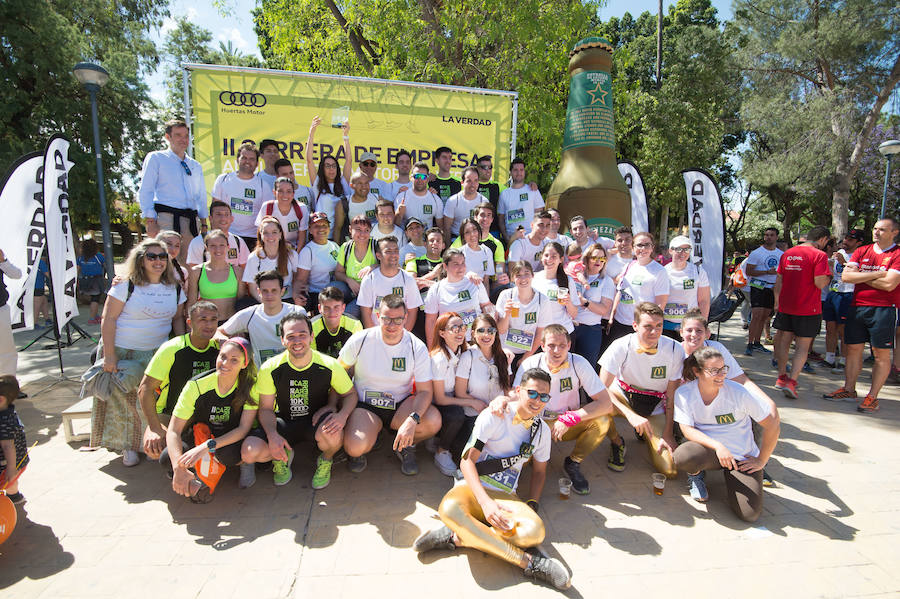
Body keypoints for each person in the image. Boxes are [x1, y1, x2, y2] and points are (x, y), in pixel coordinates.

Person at [413, 368, 572, 591]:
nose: (538, 400)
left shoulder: (542, 431)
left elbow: (539, 472)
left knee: (535, 532)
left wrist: (532, 504)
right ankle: (531, 562)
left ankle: (457, 537)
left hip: (506, 495)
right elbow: (466, 461)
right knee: (448, 510)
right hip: (472, 487)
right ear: (519, 391)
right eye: (533, 393)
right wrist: (486, 504)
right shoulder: (495, 415)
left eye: (544, 396)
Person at [94, 239, 186, 466]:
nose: (158, 261)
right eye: (151, 257)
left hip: (157, 353)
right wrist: (109, 355)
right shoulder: (126, 284)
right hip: (124, 351)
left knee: (151, 401)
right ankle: (128, 447)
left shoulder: (174, 287)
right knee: (121, 401)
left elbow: (177, 320)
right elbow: (109, 319)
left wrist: (182, 349)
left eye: (162, 257)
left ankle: (149, 444)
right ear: (140, 259)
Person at [241, 312, 356, 489]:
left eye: (302, 335)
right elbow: (265, 409)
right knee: (249, 451)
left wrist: (342, 415)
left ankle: (326, 459)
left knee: (334, 434)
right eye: (291, 336)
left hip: (316, 421)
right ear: (282, 340)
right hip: (284, 421)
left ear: (311, 337)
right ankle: (281, 455)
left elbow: (350, 395)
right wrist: (272, 435)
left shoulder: (329, 364)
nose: (297, 341)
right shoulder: (269, 368)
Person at [338, 295, 441, 475]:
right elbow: (338, 373)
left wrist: (412, 419)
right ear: (378, 316)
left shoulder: (416, 346)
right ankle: (369, 439)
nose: (392, 325)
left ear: (406, 318)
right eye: (386, 319)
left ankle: (405, 445)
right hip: (366, 405)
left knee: (433, 421)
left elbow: (425, 391)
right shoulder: (361, 339)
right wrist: (338, 407)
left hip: (401, 405)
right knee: (355, 447)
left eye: (398, 319)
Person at [673, 347, 780, 520]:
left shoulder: (738, 392)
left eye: (723, 369)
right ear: (697, 371)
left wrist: (762, 460)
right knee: (684, 456)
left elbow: (772, 424)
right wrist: (718, 446)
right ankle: (696, 476)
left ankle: (736, 475)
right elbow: (687, 430)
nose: (721, 375)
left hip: (741, 457)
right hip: (711, 451)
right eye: (714, 370)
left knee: (749, 515)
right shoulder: (684, 393)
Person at [513, 325, 616, 494]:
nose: (556, 350)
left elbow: (605, 403)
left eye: (562, 345)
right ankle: (527, 459)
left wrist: (570, 418)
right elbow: (517, 399)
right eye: (551, 345)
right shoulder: (530, 363)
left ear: (569, 345)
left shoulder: (579, 362)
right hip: (535, 422)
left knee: (602, 420)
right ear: (542, 345)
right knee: (520, 463)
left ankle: (573, 462)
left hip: (566, 421)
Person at [162, 337, 258, 501]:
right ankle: (194, 476)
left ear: (244, 364)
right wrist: (178, 467)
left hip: (230, 438)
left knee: (226, 454)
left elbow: (243, 429)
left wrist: (207, 447)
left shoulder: (250, 385)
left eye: (234, 360)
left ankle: (244, 464)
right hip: (202, 434)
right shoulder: (196, 385)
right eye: (223, 356)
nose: (225, 363)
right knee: (167, 458)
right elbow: (173, 431)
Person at [599, 302, 684, 477]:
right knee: (598, 410)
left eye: (658, 326)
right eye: (648, 327)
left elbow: (671, 396)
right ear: (635, 326)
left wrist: (668, 434)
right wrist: (630, 415)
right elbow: (600, 389)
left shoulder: (675, 348)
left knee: (669, 470)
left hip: (656, 405)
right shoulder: (621, 345)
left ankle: (648, 432)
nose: (654, 332)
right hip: (623, 396)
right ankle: (617, 442)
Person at [824, 218, 900, 413]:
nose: (876, 232)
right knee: (853, 349)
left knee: (881, 354)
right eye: (875, 228)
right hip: (857, 306)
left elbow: (890, 285)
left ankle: (872, 397)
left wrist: (863, 276)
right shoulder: (862, 250)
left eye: (882, 229)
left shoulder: (897, 253)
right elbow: (847, 277)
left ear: (894, 232)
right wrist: (878, 274)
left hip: (885, 308)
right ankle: (849, 389)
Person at [138, 301, 220, 460]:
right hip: (171, 414)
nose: (209, 324)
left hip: (207, 415)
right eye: (202, 319)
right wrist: (154, 427)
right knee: (158, 450)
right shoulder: (172, 348)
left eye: (213, 319)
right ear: (189, 323)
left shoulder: (220, 349)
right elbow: (145, 389)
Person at [448, 314, 513, 471]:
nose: (486, 335)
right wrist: (479, 404)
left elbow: (507, 390)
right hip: (474, 415)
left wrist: (508, 401)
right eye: (481, 330)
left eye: (490, 330)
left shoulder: (502, 357)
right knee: (476, 460)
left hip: (499, 414)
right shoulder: (468, 357)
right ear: (473, 334)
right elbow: (460, 392)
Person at [772, 226, 831, 398]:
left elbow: (779, 279)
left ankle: (781, 376)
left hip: (786, 305)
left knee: (784, 342)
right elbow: (820, 283)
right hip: (808, 308)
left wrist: (777, 301)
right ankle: (792, 381)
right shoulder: (820, 256)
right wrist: (830, 275)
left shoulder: (788, 253)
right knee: (802, 347)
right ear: (823, 239)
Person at [139, 119, 207, 262]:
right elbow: (146, 189)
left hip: (190, 221)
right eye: (178, 135)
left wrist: (204, 223)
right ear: (168, 137)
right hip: (166, 218)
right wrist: (150, 220)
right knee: (164, 261)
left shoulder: (195, 165)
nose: (183, 139)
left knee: (189, 263)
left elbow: (200, 196)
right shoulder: (157, 158)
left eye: (186, 136)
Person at [217, 270, 305, 366]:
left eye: (274, 290)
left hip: (293, 372)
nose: (269, 295)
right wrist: (224, 341)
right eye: (265, 291)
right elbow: (218, 332)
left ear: (282, 291)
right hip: (262, 375)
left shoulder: (296, 312)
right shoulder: (249, 314)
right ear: (259, 292)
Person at [608, 231, 670, 346]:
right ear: (633, 247)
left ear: (652, 248)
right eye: (639, 245)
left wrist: (651, 327)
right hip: (620, 323)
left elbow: (661, 304)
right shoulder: (629, 265)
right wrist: (612, 316)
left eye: (647, 245)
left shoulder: (659, 271)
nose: (643, 248)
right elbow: (620, 291)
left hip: (641, 327)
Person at [428, 313, 470, 475]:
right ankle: (441, 450)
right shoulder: (439, 359)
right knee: (457, 415)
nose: (460, 331)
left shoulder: (463, 351)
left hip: (454, 396)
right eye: (454, 328)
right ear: (442, 333)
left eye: (462, 327)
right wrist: (471, 402)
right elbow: (439, 398)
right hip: (436, 402)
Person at [423, 249, 492, 347]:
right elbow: (431, 321)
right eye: (456, 264)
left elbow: (486, 306)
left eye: (463, 263)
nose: (461, 267)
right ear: (445, 266)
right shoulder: (436, 289)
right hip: (451, 343)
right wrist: (432, 348)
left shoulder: (475, 282)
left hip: (475, 341)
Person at [211, 141, 271, 250]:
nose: (247, 161)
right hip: (226, 235)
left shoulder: (263, 186)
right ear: (237, 159)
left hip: (253, 238)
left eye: (252, 159)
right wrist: (215, 236)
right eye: (244, 158)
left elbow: (267, 216)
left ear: (257, 163)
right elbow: (214, 211)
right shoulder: (223, 179)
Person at [495, 261, 553, 372]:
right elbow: (501, 330)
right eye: (518, 275)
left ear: (532, 275)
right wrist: (507, 314)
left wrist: (526, 357)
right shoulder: (506, 295)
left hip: (529, 351)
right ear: (512, 278)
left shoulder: (542, 299)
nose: (523, 279)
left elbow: (540, 333)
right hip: (506, 351)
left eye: (526, 273)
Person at [357, 236, 422, 329]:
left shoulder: (408, 279)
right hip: (377, 334)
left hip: (400, 334)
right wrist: (375, 337)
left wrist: (402, 336)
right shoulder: (369, 279)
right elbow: (366, 313)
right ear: (378, 255)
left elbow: (412, 312)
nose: (393, 255)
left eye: (396, 251)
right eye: (388, 251)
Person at [823, 230, 864, 371]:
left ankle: (844, 361)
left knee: (843, 329)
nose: (846, 241)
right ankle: (829, 358)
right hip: (833, 292)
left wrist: (844, 263)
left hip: (848, 294)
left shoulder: (861, 255)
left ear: (859, 242)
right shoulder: (839, 251)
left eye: (851, 240)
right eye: (846, 238)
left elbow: (861, 275)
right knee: (830, 327)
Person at [305, 116, 352, 239]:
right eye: (327, 166)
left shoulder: (343, 183)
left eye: (334, 166)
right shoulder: (317, 184)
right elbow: (309, 160)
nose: (331, 169)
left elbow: (349, 161)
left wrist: (345, 136)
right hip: (321, 236)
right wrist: (312, 133)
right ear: (322, 168)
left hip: (341, 237)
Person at [449, 203, 509, 296]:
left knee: (505, 285)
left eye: (489, 216)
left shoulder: (496, 244)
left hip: (488, 282)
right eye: (482, 215)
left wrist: (500, 276)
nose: (485, 219)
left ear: (492, 219)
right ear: (475, 217)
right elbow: (450, 261)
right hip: (464, 281)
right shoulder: (462, 239)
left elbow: (499, 268)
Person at [188, 230, 244, 323]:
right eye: (213, 246)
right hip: (206, 325)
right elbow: (191, 303)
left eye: (222, 245)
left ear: (228, 247)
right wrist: (191, 328)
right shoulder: (196, 272)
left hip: (231, 324)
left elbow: (241, 303)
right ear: (206, 248)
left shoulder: (237, 271)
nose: (218, 250)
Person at [573, 243, 615, 368]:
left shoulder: (606, 281)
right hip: (570, 327)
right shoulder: (575, 276)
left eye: (602, 258)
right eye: (594, 257)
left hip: (590, 331)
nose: (599, 261)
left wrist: (584, 302)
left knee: (587, 369)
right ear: (586, 258)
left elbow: (604, 309)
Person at [241, 217, 301, 304]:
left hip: (287, 301)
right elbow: (252, 288)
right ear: (260, 235)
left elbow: (297, 280)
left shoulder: (292, 255)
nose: (270, 236)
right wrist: (267, 304)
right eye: (266, 233)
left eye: (274, 232)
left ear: (280, 234)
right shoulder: (254, 257)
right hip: (263, 301)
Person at [744, 227, 783, 356]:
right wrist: (766, 272)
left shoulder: (781, 254)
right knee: (756, 315)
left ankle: (757, 342)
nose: (768, 237)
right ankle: (749, 343)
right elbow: (749, 271)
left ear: (776, 237)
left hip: (772, 288)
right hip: (758, 287)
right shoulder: (757, 253)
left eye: (771, 235)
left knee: (765, 317)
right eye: (766, 235)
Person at [663, 235, 711, 339]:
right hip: (666, 327)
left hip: (690, 328)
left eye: (687, 249)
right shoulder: (662, 272)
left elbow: (704, 301)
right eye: (679, 249)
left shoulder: (698, 272)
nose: (683, 253)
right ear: (671, 251)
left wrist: (703, 326)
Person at [531, 242, 580, 337]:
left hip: (562, 334)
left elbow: (574, 314)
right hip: (539, 336)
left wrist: (568, 302)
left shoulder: (568, 280)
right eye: (546, 255)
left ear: (561, 259)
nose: (549, 259)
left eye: (554, 256)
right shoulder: (533, 278)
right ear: (541, 258)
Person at [333, 215, 377, 318]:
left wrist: (372, 267)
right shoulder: (346, 247)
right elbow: (338, 273)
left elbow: (388, 264)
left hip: (368, 292)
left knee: (348, 314)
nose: (362, 234)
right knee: (333, 288)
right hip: (350, 289)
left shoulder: (375, 245)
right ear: (350, 229)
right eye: (358, 229)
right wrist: (349, 280)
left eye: (366, 230)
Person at [295, 212, 340, 312]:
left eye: (324, 225)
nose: (321, 229)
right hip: (317, 294)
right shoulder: (308, 251)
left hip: (335, 292)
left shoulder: (335, 246)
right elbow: (300, 280)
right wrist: (297, 297)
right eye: (316, 226)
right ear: (310, 229)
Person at [185, 201, 250, 269]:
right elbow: (193, 272)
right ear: (210, 219)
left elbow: (245, 270)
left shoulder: (239, 242)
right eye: (218, 214)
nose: (223, 218)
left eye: (226, 214)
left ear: (232, 219)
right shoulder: (198, 242)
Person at [497, 157, 545, 243]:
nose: (519, 173)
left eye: (521, 170)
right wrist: (506, 237)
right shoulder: (504, 194)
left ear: (524, 172)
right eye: (515, 170)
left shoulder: (533, 190)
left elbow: (540, 215)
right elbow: (501, 219)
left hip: (531, 237)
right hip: (512, 239)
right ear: (510, 172)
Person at [255, 177, 309, 251]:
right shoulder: (267, 207)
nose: (285, 195)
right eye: (280, 191)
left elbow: (302, 237)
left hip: (293, 250)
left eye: (289, 191)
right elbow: (260, 232)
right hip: (271, 249)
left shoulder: (301, 209)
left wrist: (297, 256)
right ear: (274, 192)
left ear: (293, 194)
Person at [310, 286, 363, 358]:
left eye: (336, 307)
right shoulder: (312, 327)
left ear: (343, 307)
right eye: (327, 308)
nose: (332, 312)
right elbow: (311, 357)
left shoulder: (355, 325)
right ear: (319, 308)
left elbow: (358, 355)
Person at [0, 375, 27, 504]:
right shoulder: (9, 411)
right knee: (11, 482)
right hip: (19, 460)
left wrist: (11, 468)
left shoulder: (2, 422)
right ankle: (15, 496)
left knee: (7, 479)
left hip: (6, 464)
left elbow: (7, 446)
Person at [442, 166, 487, 243]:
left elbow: (485, 227)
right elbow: (447, 228)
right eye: (469, 181)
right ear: (462, 182)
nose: (472, 184)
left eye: (475, 181)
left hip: (477, 241)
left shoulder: (483, 201)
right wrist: (449, 249)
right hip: (457, 240)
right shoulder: (453, 201)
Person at [394, 161, 443, 229]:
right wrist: (399, 214)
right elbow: (394, 227)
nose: (420, 179)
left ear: (428, 179)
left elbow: (441, 227)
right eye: (417, 176)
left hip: (427, 239)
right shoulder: (401, 197)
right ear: (411, 178)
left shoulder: (436, 200)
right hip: (406, 239)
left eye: (423, 177)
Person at [458, 218, 495, 289]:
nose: (472, 235)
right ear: (463, 236)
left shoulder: (487, 251)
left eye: (474, 230)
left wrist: (486, 299)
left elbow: (486, 282)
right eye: (467, 232)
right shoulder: (459, 253)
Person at [341, 169, 380, 237]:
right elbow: (338, 229)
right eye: (360, 183)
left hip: (374, 243)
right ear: (352, 185)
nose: (364, 186)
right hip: (355, 243)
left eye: (366, 183)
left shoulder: (377, 198)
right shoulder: (344, 203)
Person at [77, 239, 107, 325]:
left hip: (85, 279)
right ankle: (92, 318)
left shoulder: (81, 257)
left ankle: (95, 314)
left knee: (92, 298)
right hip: (96, 280)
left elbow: (78, 269)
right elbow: (105, 266)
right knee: (95, 299)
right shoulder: (98, 256)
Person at [474, 155, 501, 236]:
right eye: (484, 167)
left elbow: (515, 189)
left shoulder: (497, 186)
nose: (488, 170)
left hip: (493, 231)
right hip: (475, 230)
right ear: (477, 168)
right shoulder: (471, 185)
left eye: (490, 167)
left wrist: (531, 185)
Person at [33, 255, 51, 328]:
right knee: (37, 306)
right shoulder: (40, 262)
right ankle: (34, 323)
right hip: (38, 286)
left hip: (33, 286)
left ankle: (47, 319)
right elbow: (47, 274)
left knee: (44, 300)